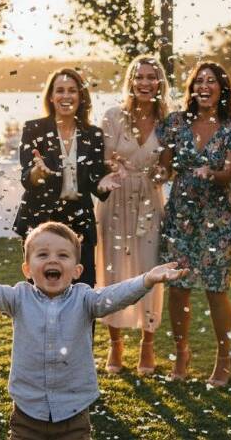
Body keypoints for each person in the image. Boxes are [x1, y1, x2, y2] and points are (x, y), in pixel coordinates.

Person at [0, 221, 188, 440]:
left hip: (74, 416)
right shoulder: (17, 298)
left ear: (76, 270)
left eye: (63, 255)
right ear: (27, 268)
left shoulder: (86, 299)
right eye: (43, 254)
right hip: (27, 414)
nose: (53, 260)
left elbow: (116, 295)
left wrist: (146, 280)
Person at [157, 61, 231, 385]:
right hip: (181, 214)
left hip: (217, 215)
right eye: (199, 81)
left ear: (222, 88)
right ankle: (181, 354)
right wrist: (143, 173)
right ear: (191, 88)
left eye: (211, 81)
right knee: (178, 286)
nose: (204, 87)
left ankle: (223, 359)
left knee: (215, 289)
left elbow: (228, 173)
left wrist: (212, 173)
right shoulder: (175, 123)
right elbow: (164, 170)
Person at [95, 55, 170, 375]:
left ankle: (147, 347)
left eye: (151, 77)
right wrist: (116, 166)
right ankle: (115, 346)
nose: (145, 83)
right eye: (139, 77)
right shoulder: (113, 117)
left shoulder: (169, 121)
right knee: (114, 271)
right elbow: (102, 157)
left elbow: (168, 165)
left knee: (149, 270)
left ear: (160, 83)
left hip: (150, 202)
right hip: (116, 198)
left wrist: (161, 174)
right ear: (130, 81)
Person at [13, 68, 113, 288]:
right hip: (40, 220)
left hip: (80, 224)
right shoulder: (34, 129)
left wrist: (104, 184)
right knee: (38, 292)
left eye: (72, 90)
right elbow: (25, 175)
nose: (66, 96)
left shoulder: (94, 134)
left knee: (83, 292)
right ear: (51, 96)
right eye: (60, 90)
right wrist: (36, 174)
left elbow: (96, 184)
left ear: (81, 96)